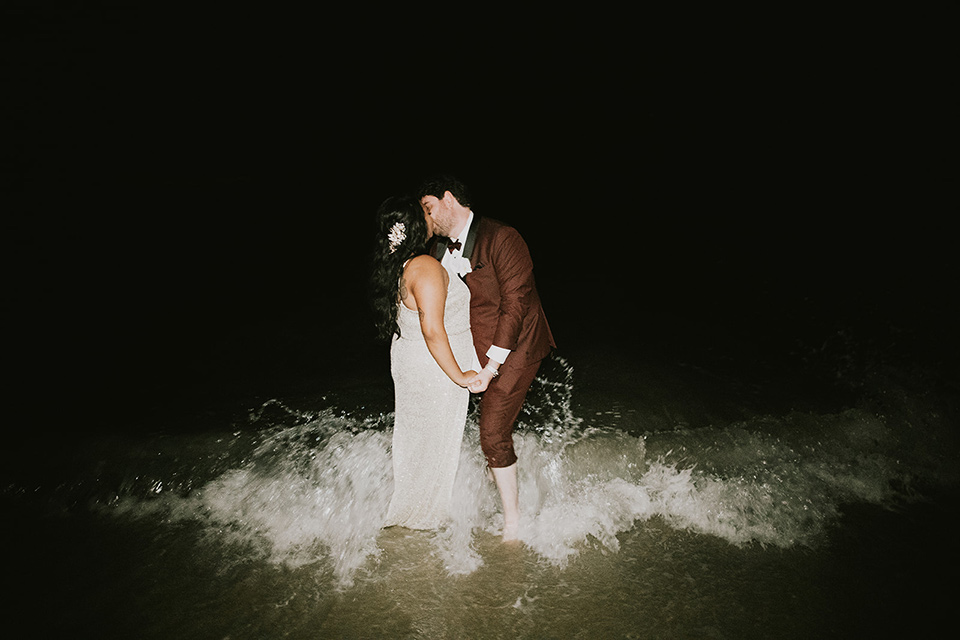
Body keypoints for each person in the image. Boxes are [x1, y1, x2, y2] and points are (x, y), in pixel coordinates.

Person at [418, 176, 555, 542]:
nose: (426, 220)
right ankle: (476, 499)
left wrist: (492, 367)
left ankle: (514, 523)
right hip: (470, 348)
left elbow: (516, 306)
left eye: (428, 209)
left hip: (517, 347)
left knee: (492, 432)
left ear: (448, 199)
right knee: (465, 428)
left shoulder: (502, 237)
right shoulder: (435, 251)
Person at [371, 195, 478, 530]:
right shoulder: (426, 267)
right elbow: (432, 330)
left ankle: (408, 512)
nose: (432, 218)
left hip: (411, 359)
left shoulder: (402, 265)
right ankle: (420, 518)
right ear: (417, 226)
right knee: (432, 445)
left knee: (418, 443)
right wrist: (460, 376)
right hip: (432, 367)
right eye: (426, 214)